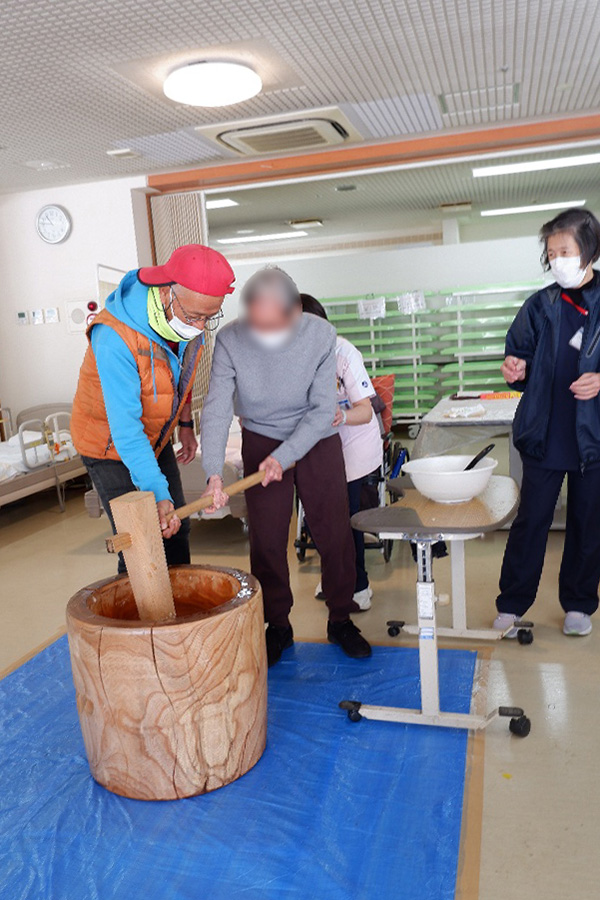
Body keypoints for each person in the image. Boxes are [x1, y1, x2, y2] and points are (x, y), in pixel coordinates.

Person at [200, 267, 372, 666]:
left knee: (333, 530)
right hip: (260, 436)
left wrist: (285, 455)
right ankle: (277, 624)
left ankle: (341, 618)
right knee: (266, 538)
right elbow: (216, 408)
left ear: (295, 313)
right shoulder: (229, 340)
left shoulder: (321, 335)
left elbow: (323, 410)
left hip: (316, 436)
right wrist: (212, 472)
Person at [71, 244, 235, 572]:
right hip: (110, 446)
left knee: (177, 527)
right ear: (165, 293)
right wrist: (158, 492)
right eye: (194, 316)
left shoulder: (184, 321)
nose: (201, 327)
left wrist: (185, 425)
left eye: (210, 317)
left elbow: (178, 376)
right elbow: (126, 430)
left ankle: (178, 618)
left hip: (153, 437)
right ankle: (139, 622)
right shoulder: (114, 338)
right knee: (141, 539)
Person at [495, 207, 600, 637]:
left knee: (588, 520)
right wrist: (514, 368)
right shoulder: (539, 305)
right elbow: (518, 354)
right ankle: (512, 602)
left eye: (565, 250)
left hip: (593, 434)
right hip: (544, 431)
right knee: (531, 519)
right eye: (551, 252)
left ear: (588, 251)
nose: (557, 259)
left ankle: (578, 604)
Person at [300, 294, 383, 609]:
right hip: (318, 449)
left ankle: (358, 586)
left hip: (354, 447)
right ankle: (334, 574)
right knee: (318, 521)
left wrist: (341, 415)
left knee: (346, 521)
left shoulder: (345, 353)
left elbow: (365, 409)